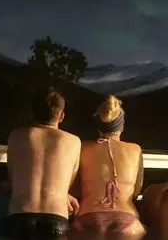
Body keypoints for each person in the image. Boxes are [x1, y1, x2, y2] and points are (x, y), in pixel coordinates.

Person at [6, 87, 82, 238]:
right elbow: (67, 183)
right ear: (61, 116)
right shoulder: (73, 142)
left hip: (20, 216)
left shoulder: (16, 136)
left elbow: (13, 177)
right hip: (56, 218)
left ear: (33, 113)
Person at [72, 95, 146, 237]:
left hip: (88, 217)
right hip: (127, 220)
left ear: (98, 125)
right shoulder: (135, 150)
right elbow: (136, 191)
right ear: (121, 125)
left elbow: (75, 189)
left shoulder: (83, 147)